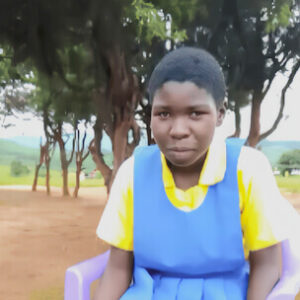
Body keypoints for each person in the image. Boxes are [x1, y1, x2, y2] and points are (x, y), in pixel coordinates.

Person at [93, 47, 293, 300]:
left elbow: (266, 264)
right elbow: (118, 268)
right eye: (163, 113)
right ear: (151, 113)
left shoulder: (247, 169)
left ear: (220, 113)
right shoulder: (133, 172)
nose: (178, 130)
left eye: (195, 113)